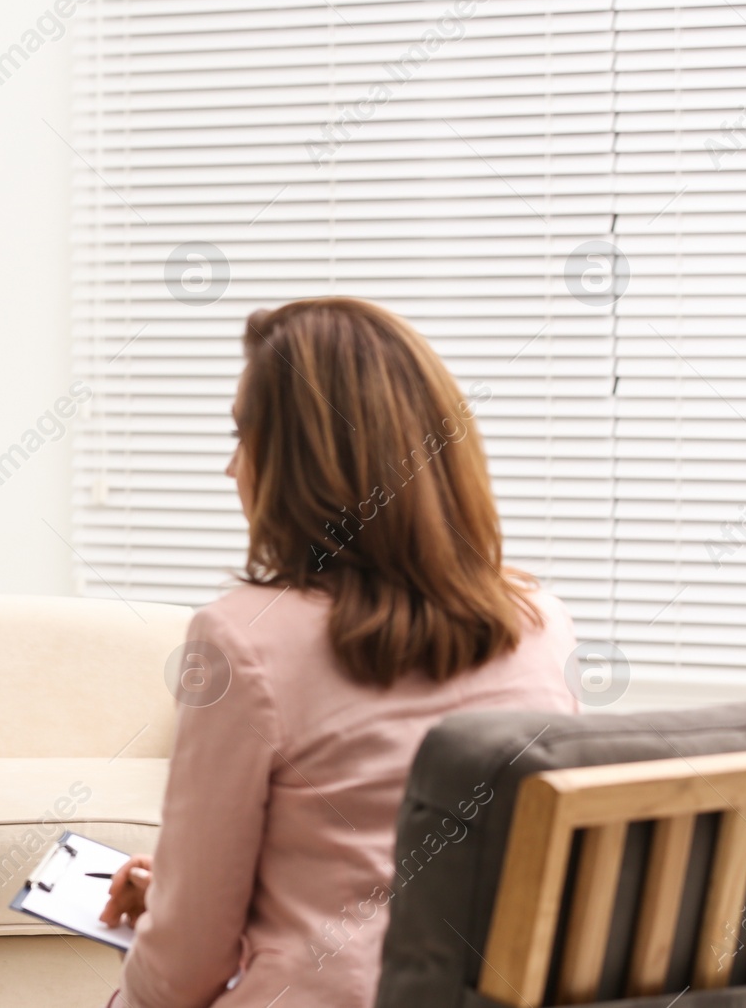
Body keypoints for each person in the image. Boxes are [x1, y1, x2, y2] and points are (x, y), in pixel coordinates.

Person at [97, 297, 580, 1007]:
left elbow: (182, 970)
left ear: (306, 462)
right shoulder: (539, 623)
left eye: (242, 434)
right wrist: (174, 889)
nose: (230, 468)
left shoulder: (240, 639)